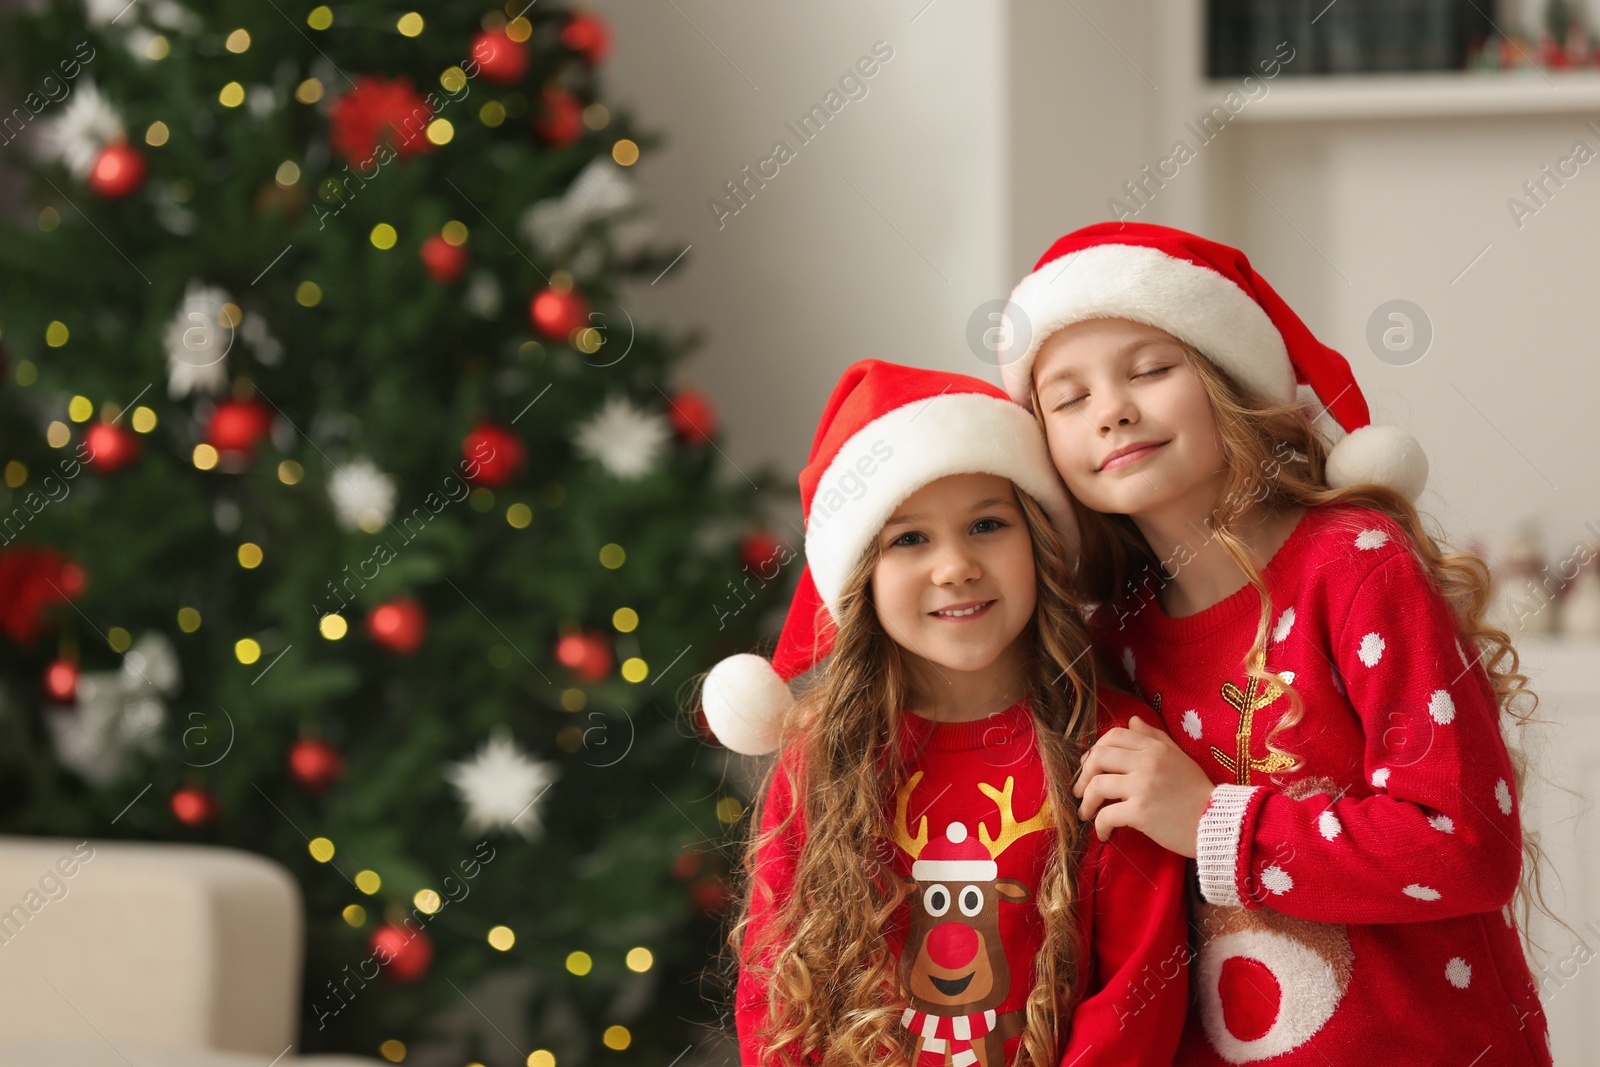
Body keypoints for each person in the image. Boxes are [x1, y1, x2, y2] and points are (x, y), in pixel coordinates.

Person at [996, 221, 1554, 1065]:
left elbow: (1466, 846)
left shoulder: (1356, 566)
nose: (1111, 409)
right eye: (1067, 398)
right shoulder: (1113, 635)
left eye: (1149, 368)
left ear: (1229, 382)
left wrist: (1214, 823)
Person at [698, 359, 1188, 1067]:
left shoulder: (1111, 749)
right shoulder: (823, 760)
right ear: (862, 577)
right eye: (909, 538)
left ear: (1040, 543)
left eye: (986, 523)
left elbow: (1137, 996)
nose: (954, 565)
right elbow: (776, 990)